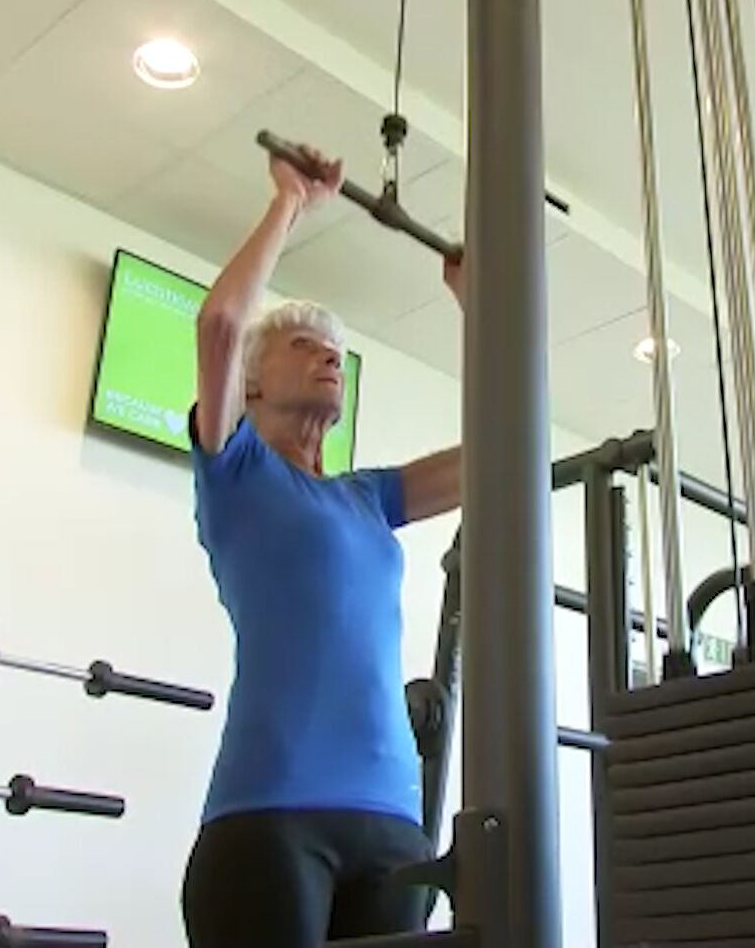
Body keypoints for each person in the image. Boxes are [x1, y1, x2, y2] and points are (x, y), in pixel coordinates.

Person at [180, 143, 464, 948]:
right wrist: (290, 204)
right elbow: (220, 323)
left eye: (335, 350)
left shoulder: (368, 496)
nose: (329, 355)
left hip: (393, 821)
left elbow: (500, 448)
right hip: (271, 816)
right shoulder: (237, 473)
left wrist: (480, 307)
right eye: (303, 345)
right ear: (252, 385)